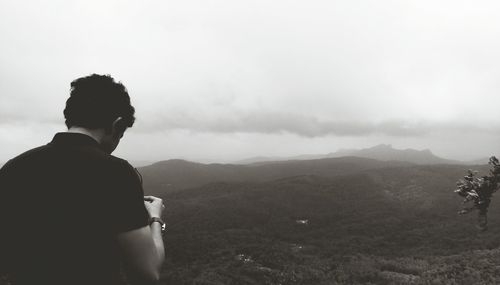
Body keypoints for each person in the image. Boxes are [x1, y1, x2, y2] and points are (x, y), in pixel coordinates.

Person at [0, 74, 165, 285]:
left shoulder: (15, 168)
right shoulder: (116, 172)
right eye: (121, 135)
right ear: (117, 124)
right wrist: (155, 219)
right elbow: (148, 274)